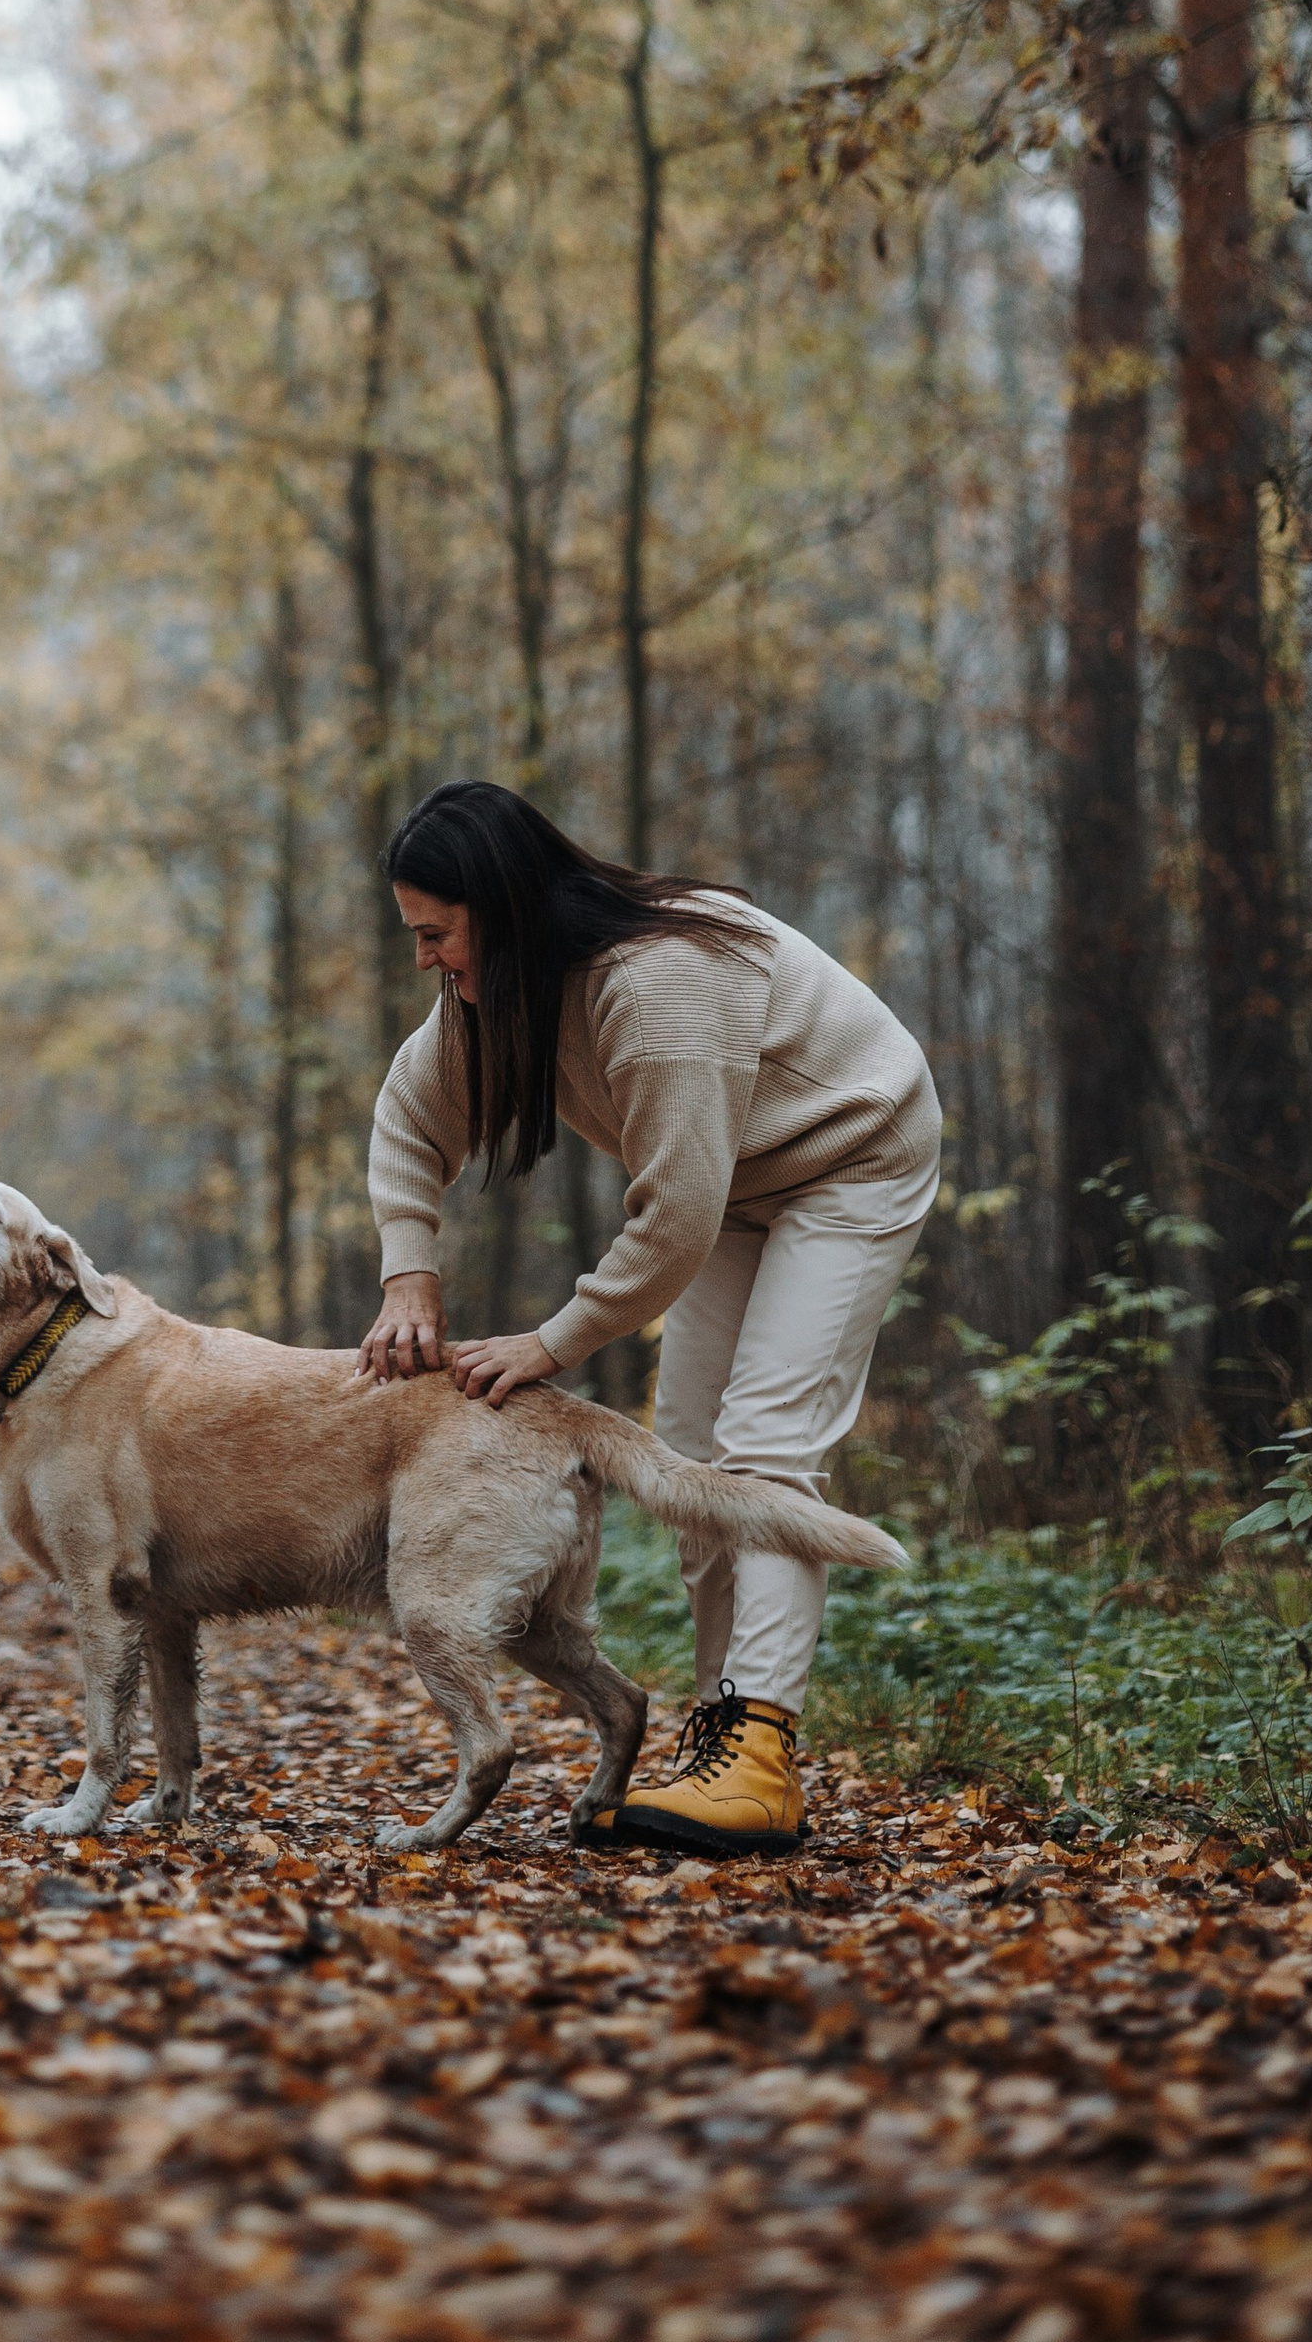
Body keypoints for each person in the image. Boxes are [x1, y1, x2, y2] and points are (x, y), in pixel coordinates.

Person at [356, 778, 938, 1857]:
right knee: (691, 1465)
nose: (427, 960)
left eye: (437, 934)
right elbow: (406, 1116)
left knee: (765, 1441)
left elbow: (671, 1217)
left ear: (503, 905)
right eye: (416, 937)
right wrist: (408, 1275)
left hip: (851, 1157)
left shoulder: (658, 980)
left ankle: (754, 1755)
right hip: (735, 1188)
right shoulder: (500, 996)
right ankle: (719, 1744)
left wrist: (552, 1343)